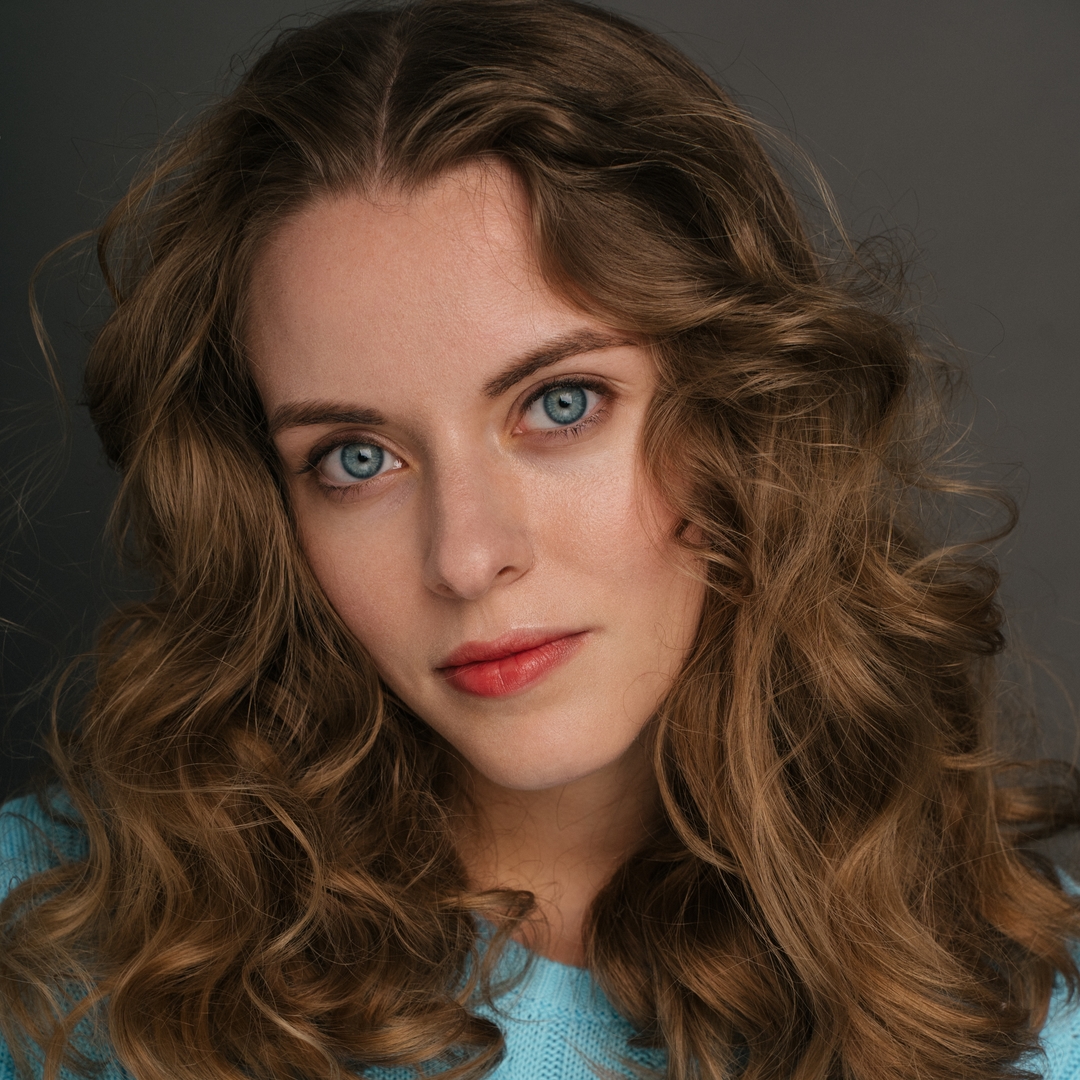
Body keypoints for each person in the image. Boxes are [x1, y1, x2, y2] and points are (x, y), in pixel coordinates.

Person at [2, 0, 1078, 1077]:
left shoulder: (1028, 1007)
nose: (468, 560)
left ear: (743, 413)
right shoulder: (39, 946)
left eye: (561, 405)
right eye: (357, 459)